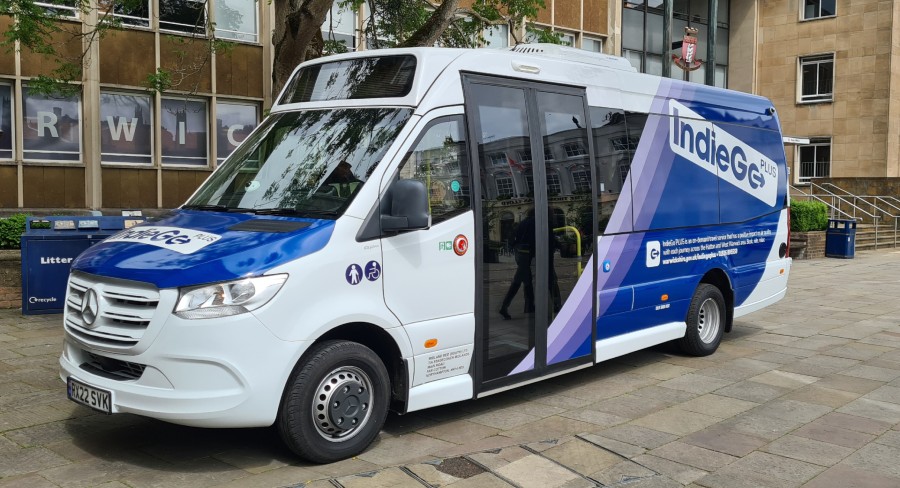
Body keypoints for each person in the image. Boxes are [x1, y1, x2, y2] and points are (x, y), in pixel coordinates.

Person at [499, 209, 562, 320]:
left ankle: (509, 306)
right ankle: (555, 305)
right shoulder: (542, 222)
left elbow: (514, 239)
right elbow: (548, 240)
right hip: (535, 255)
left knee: (519, 281)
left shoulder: (523, 223)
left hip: (522, 255)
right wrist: (559, 246)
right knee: (550, 279)